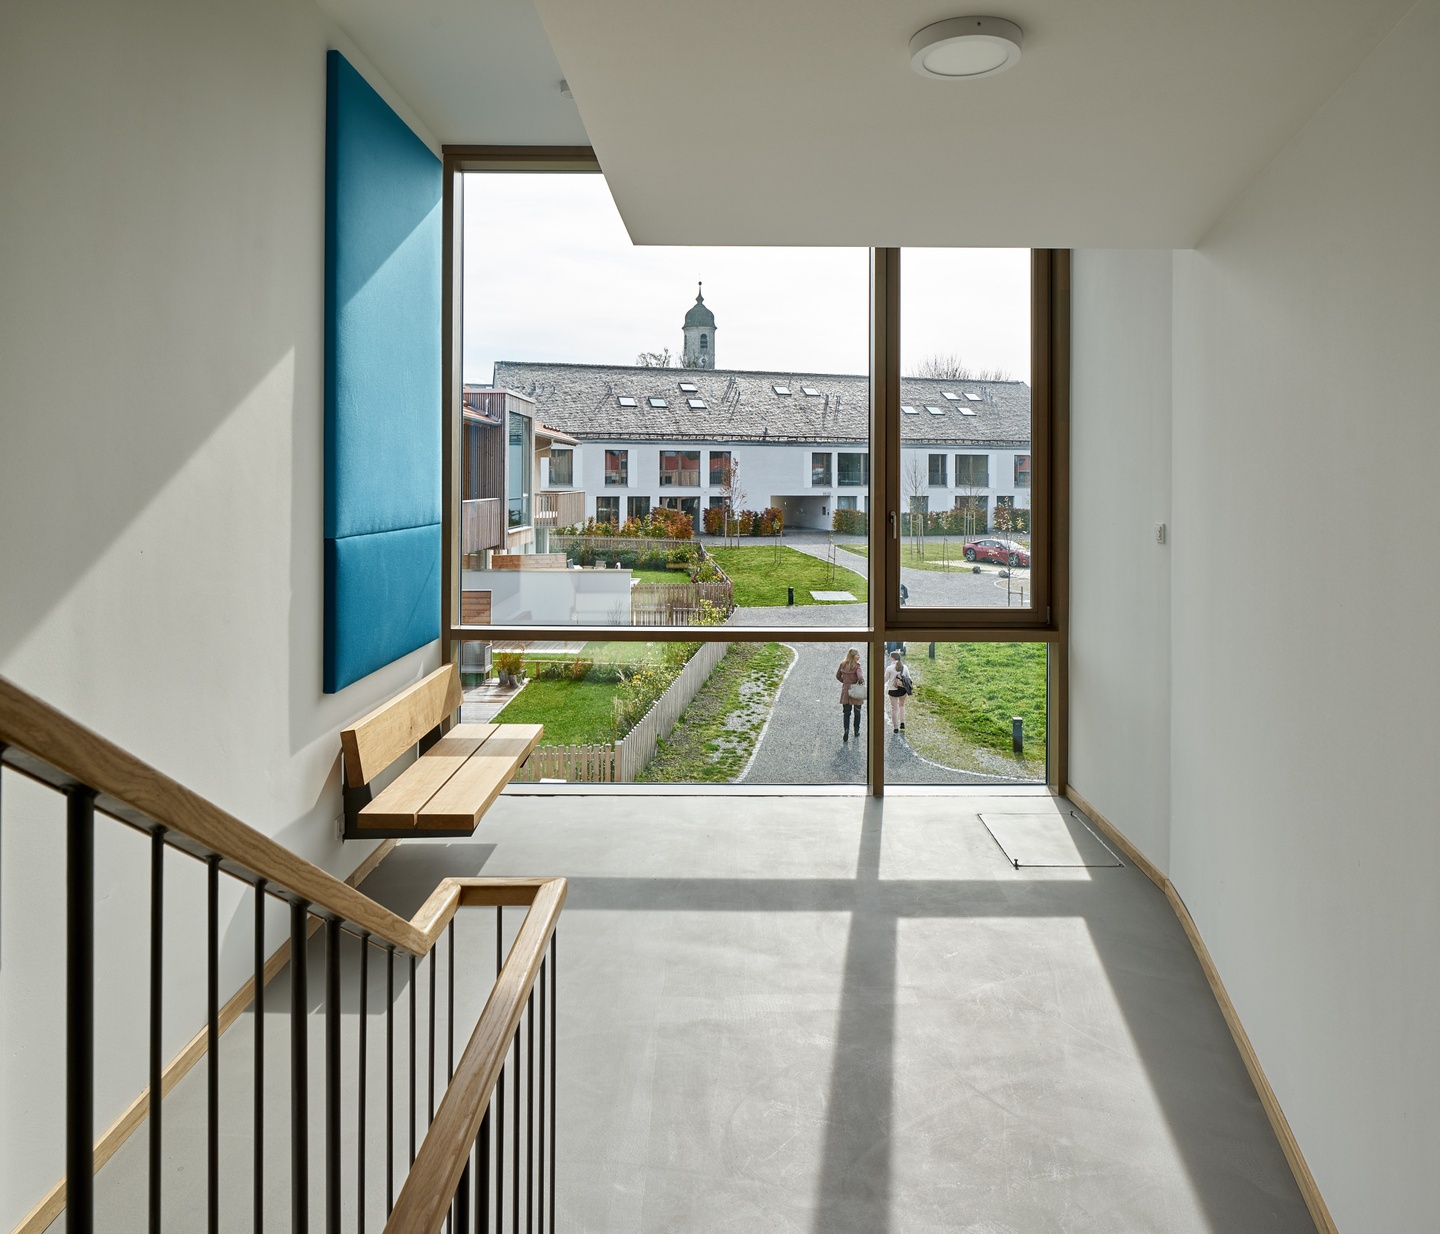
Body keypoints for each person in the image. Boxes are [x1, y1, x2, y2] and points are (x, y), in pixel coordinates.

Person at [835, 648, 865, 743]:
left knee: (846, 713)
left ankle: (846, 730)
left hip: (846, 690)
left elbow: (837, 676)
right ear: (853, 656)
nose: (859, 656)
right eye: (857, 655)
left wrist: (844, 682)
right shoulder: (857, 666)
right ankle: (856, 731)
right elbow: (860, 677)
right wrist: (861, 681)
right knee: (857, 712)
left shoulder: (842, 664)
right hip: (855, 691)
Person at [885, 648, 911, 734]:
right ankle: (902, 722)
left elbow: (885, 679)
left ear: (893, 658)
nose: (889, 658)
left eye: (890, 657)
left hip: (893, 690)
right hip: (903, 690)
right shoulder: (905, 667)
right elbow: (909, 678)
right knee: (902, 706)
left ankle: (895, 727)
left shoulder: (889, 668)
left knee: (894, 708)